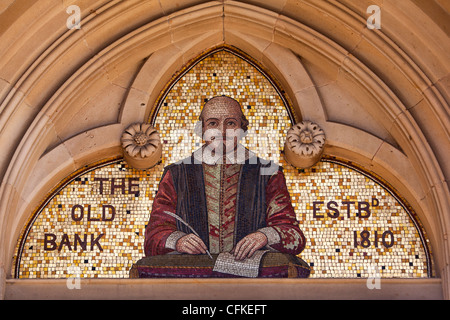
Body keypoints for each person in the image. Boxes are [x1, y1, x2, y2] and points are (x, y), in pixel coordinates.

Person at [144, 96, 305, 262]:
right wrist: (178, 241)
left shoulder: (267, 173)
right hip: (193, 275)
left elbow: (293, 235)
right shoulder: (177, 174)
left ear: (242, 129)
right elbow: (154, 235)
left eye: (230, 123)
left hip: (251, 279)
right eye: (213, 123)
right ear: (202, 129)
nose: (222, 131)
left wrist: (264, 236)